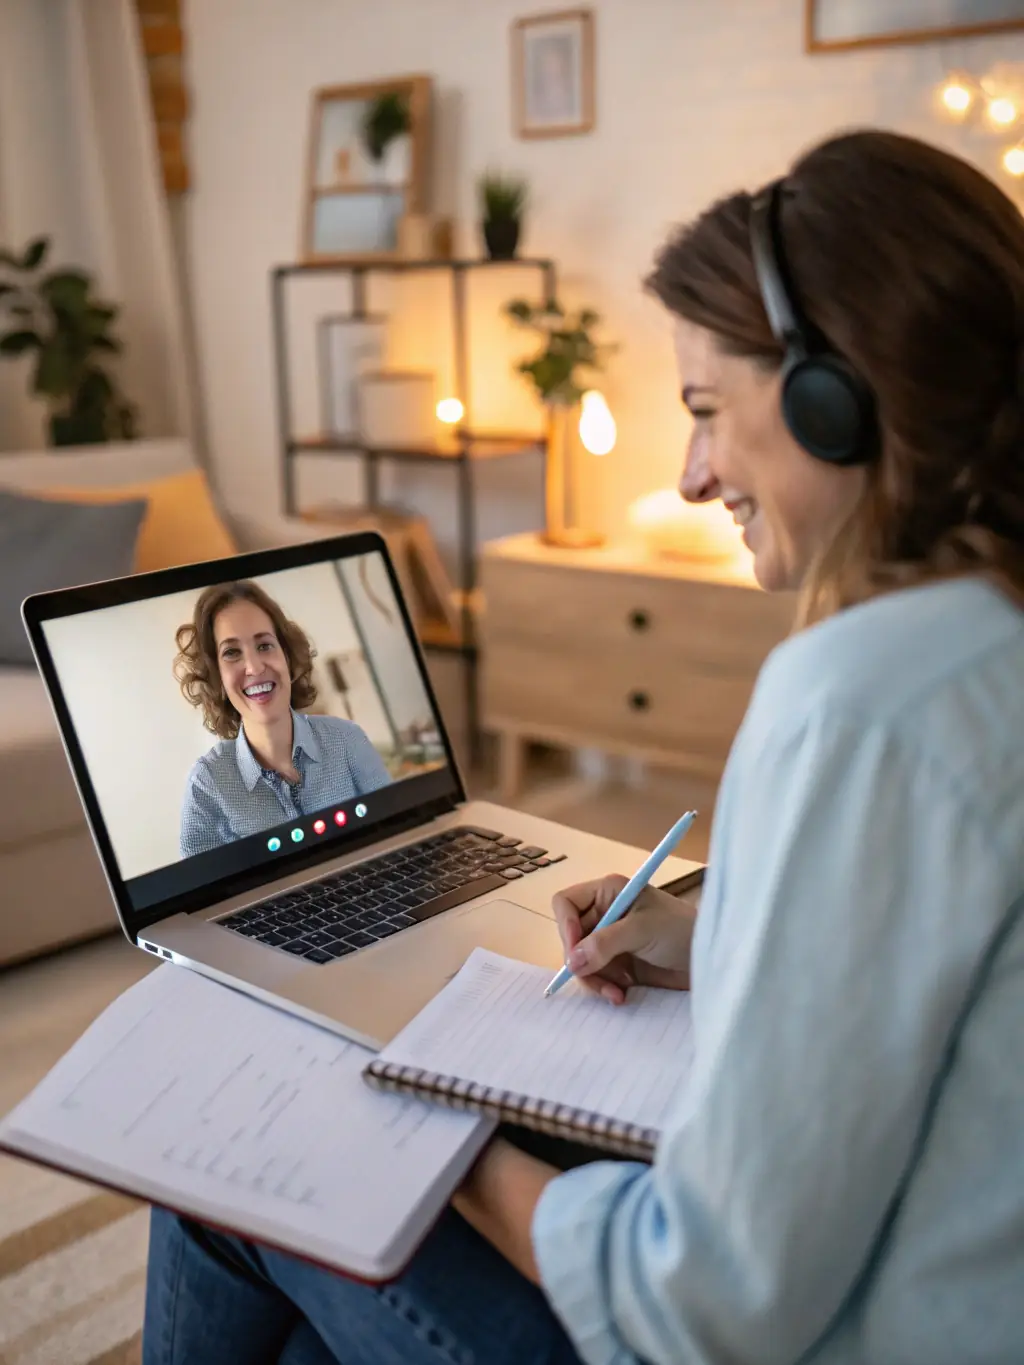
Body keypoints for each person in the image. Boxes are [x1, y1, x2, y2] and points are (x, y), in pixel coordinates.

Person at [144, 129, 1024, 1364]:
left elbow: (707, 1300)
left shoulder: (861, 698)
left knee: (244, 1178)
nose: (692, 470)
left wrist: (435, 1144)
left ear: (840, 402)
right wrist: (713, 937)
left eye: (708, 411)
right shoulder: (985, 644)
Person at [174, 581, 391, 858]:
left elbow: (400, 837)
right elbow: (201, 899)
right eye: (231, 653)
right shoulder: (206, 786)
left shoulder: (348, 740)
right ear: (216, 676)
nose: (253, 667)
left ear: (287, 656)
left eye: (264, 645)